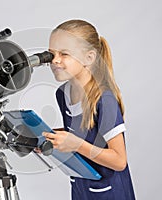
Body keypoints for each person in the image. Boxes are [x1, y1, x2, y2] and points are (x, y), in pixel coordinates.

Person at [42, 19, 135, 200]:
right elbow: (81, 133)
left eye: (64, 54)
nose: (55, 60)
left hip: (110, 193)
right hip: (82, 189)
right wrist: (51, 136)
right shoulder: (62, 94)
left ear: (89, 58)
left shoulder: (104, 100)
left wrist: (76, 144)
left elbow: (119, 160)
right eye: (51, 54)